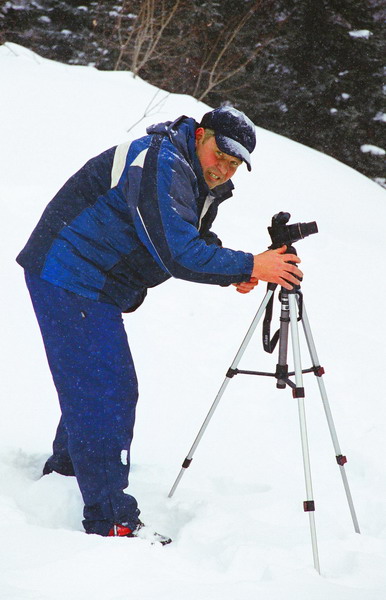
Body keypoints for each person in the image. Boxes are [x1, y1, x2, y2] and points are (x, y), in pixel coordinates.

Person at [16, 106, 302, 542]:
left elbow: (189, 234)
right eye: (219, 156)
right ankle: (109, 517)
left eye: (233, 165)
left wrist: (241, 270)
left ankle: (69, 473)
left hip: (93, 278)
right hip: (69, 270)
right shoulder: (161, 162)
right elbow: (177, 250)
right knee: (106, 387)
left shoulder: (187, 167)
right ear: (201, 135)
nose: (223, 170)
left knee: (92, 381)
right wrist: (249, 264)